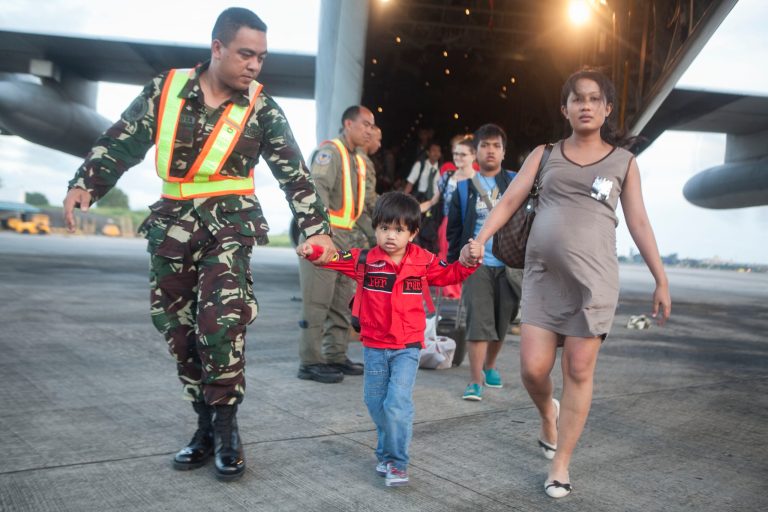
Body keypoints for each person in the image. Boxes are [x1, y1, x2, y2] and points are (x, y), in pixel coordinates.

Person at [62, 8, 336, 481]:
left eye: (261, 57)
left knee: (220, 324)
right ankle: (204, 427)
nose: (254, 65)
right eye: (246, 54)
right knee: (179, 330)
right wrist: (87, 181)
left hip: (230, 225)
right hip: (172, 227)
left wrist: (317, 227)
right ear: (217, 48)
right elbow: (124, 139)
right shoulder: (165, 91)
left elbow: (294, 173)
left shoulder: (262, 109)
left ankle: (227, 430)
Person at [470, 69, 671, 498]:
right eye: (577, 99)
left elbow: (638, 221)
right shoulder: (544, 155)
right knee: (532, 369)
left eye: (594, 99)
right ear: (565, 109)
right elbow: (509, 200)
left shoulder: (623, 162)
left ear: (607, 108)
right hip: (543, 279)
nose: (585, 105)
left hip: (595, 282)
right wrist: (481, 238)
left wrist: (660, 278)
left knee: (578, 369)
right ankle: (548, 414)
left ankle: (561, 462)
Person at [296, 192, 480, 487]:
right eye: (384, 228)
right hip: (374, 347)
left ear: (413, 233)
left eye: (399, 230)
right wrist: (312, 250)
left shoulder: (423, 261)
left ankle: (396, 462)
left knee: (397, 404)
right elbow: (331, 258)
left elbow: (450, 275)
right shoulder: (365, 260)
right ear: (375, 228)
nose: (390, 236)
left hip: (407, 347)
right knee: (374, 402)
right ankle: (384, 452)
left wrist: (469, 261)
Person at [297, 106, 374, 383]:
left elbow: (360, 209)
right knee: (317, 301)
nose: (369, 130)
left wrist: (380, 238)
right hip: (324, 237)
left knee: (341, 301)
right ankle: (309, 361)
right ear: (347, 124)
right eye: (364, 124)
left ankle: (335, 355)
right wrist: (319, 234)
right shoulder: (331, 153)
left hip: (347, 239)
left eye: (371, 126)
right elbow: (318, 192)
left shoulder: (358, 161)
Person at [446, 124, 521, 401]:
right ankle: (475, 380)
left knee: (503, 320)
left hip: (510, 265)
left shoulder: (516, 182)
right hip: (476, 264)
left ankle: (490, 366)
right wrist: (453, 265)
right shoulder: (464, 188)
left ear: (503, 152)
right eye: (485, 145)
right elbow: (454, 231)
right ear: (475, 151)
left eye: (496, 146)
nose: (491, 151)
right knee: (479, 321)